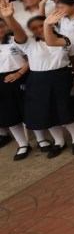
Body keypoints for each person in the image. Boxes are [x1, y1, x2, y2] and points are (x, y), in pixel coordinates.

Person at [1, 8, 74, 157]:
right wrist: (9, 17)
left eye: (41, 25)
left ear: (52, 23)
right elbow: (18, 33)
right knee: (48, 112)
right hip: (39, 81)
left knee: (67, 110)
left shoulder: (66, 39)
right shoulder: (29, 43)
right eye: (35, 28)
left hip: (62, 78)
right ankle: (59, 141)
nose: (39, 29)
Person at [0, 16, 31, 160]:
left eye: (1, 27)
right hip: (2, 81)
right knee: (10, 114)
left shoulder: (15, 40)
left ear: (6, 27)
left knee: (29, 111)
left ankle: (41, 139)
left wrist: (19, 73)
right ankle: (23, 144)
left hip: (22, 76)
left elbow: (31, 57)